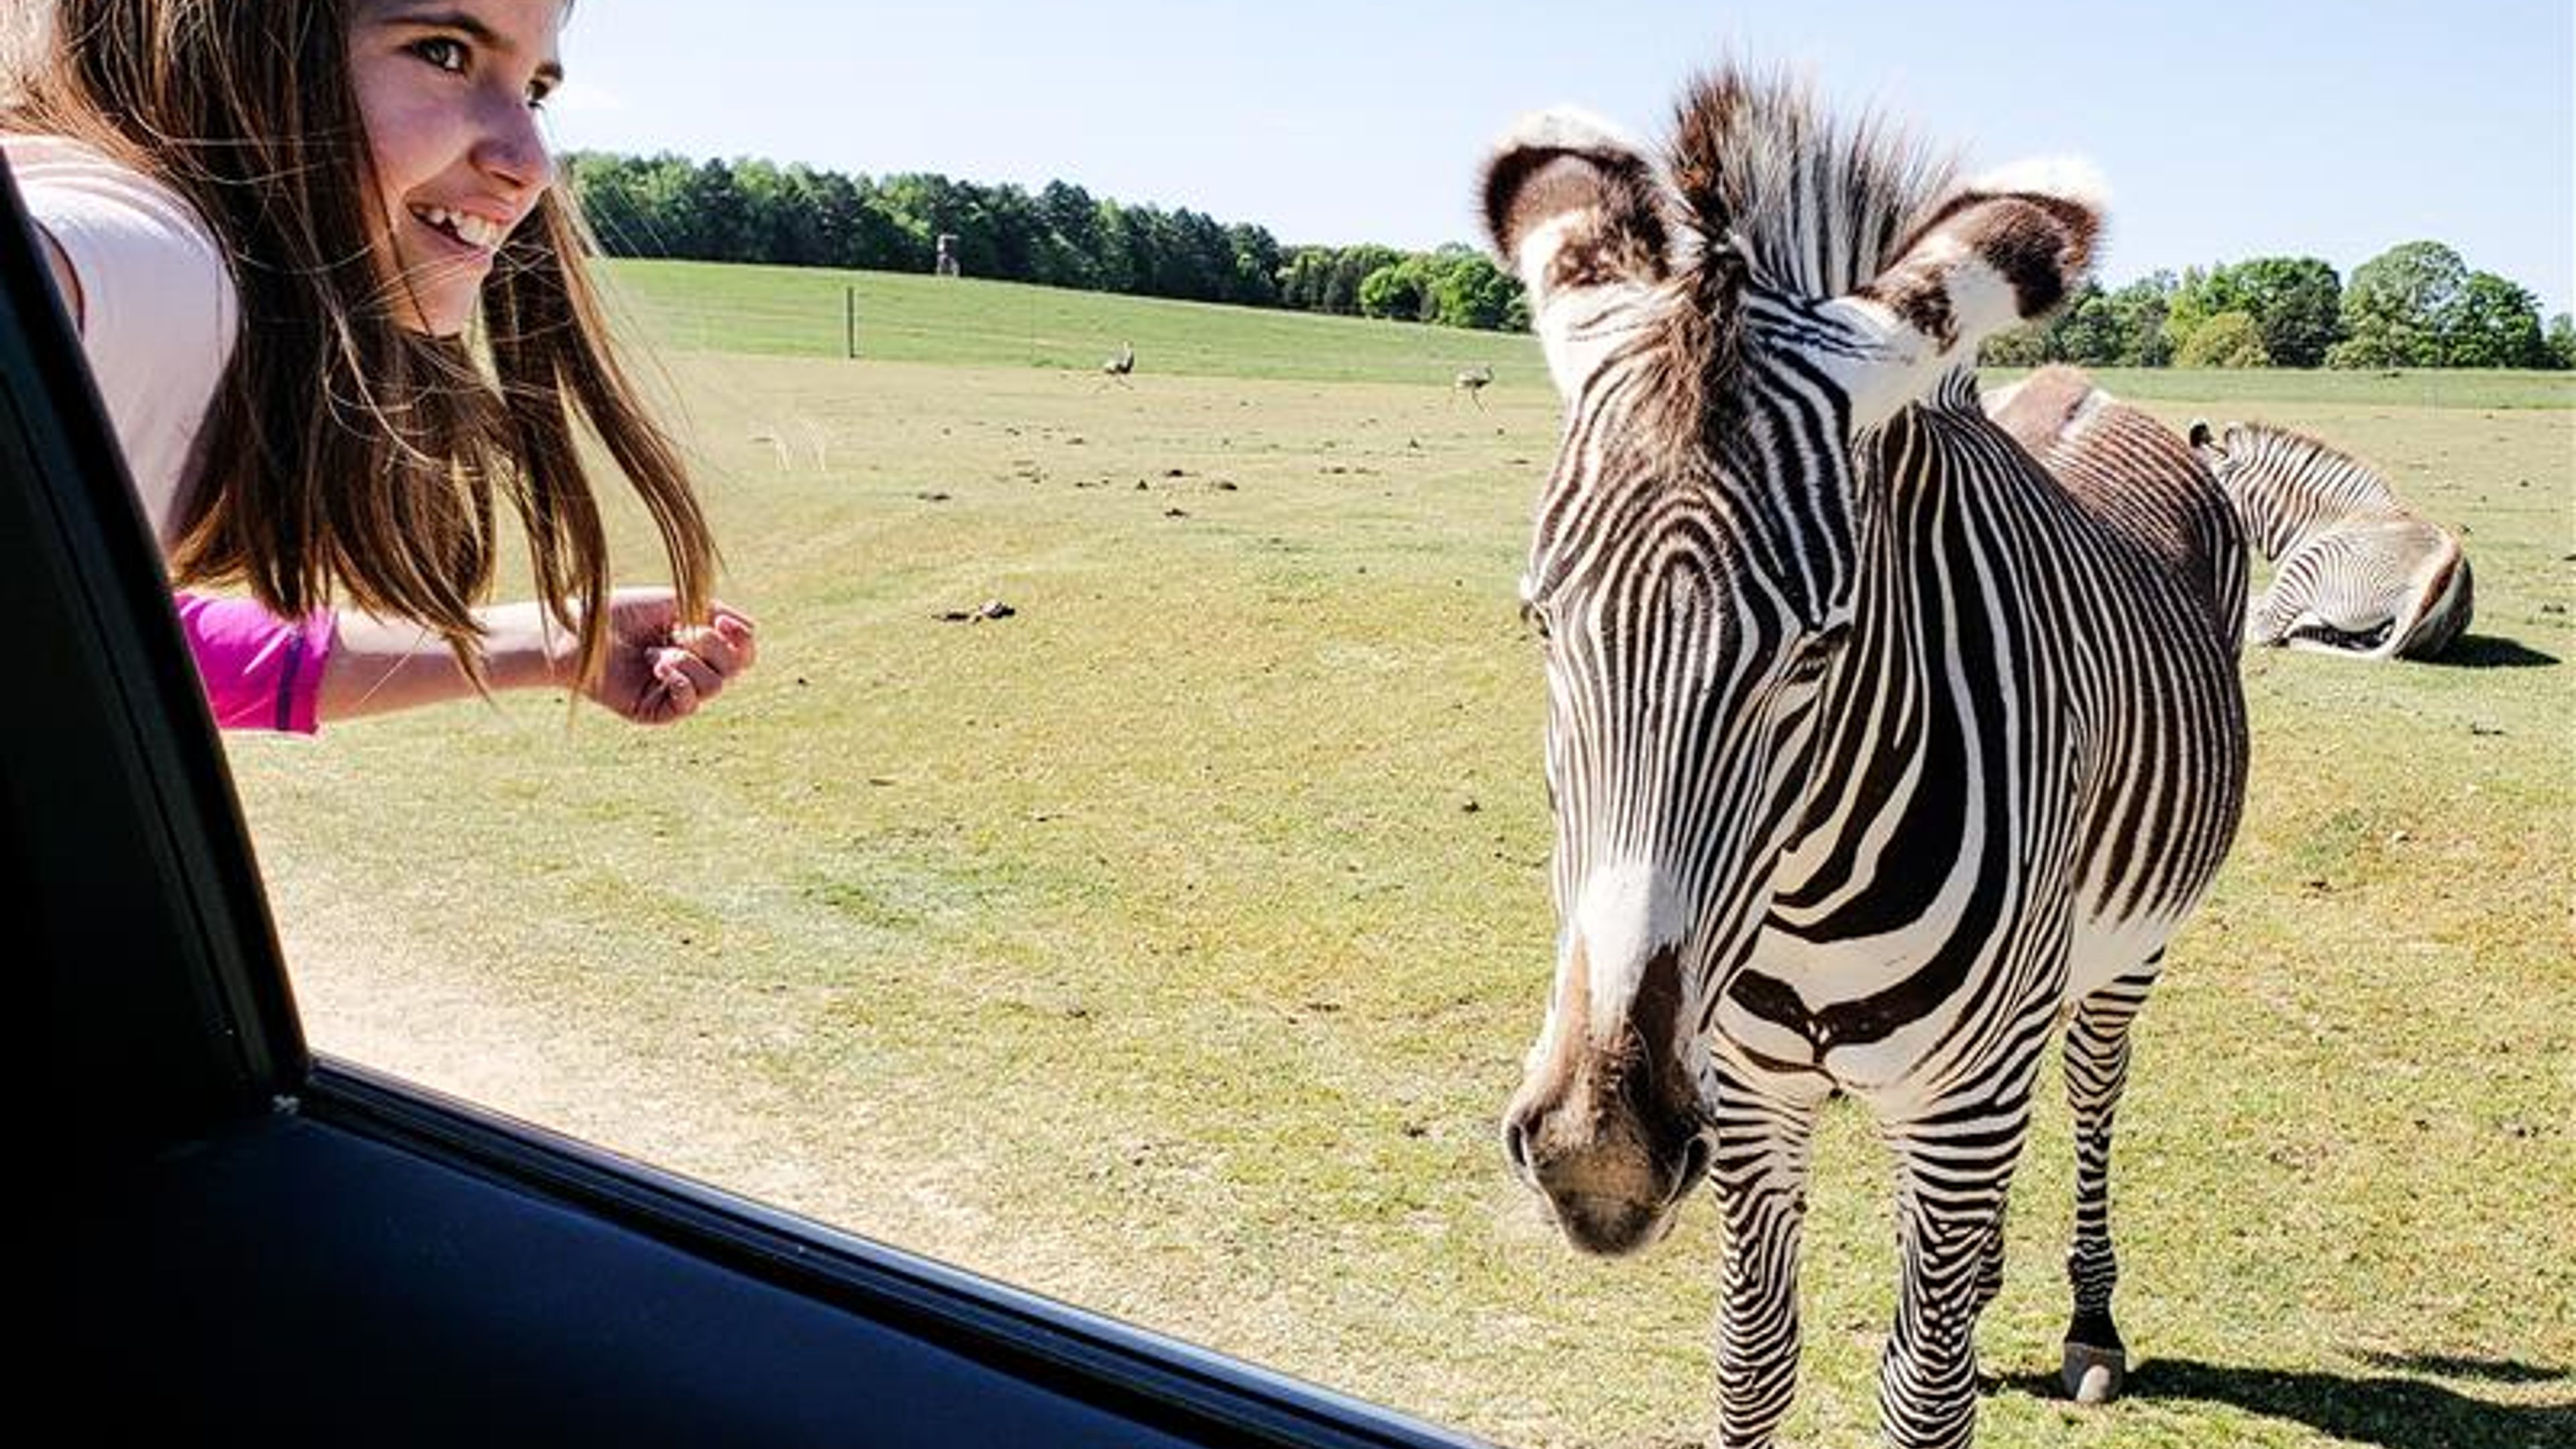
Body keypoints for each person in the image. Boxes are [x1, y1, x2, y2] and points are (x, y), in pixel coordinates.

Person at [1, 0, 753, 731]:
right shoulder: (156, 269)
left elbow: (88, 637)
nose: (531, 164)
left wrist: (551, 645)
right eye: (443, 51)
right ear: (249, 43)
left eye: (532, 92)